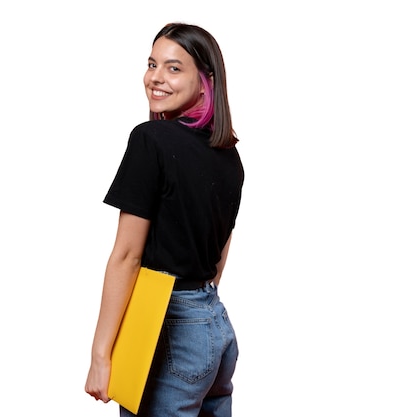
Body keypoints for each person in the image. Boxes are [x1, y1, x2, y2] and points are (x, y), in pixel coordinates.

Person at [85, 22, 244, 417]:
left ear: (206, 81)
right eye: (152, 64)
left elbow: (126, 256)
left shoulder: (150, 140)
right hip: (214, 327)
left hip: (167, 325)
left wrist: (101, 355)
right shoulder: (230, 157)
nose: (155, 78)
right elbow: (219, 255)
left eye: (174, 68)